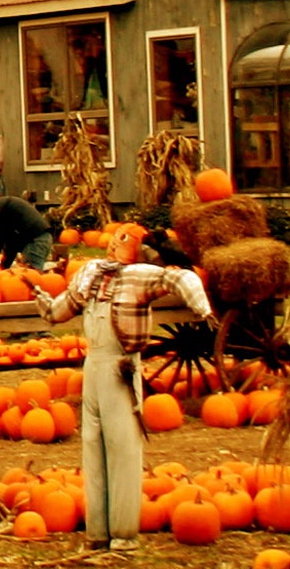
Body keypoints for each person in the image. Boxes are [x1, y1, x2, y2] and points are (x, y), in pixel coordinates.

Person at [43, 228, 215, 550]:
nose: (114, 243)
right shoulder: (90, 273)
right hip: (93, 365)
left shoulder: (141, 277)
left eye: (124, 240)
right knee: (92, 445)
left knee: (122, 447)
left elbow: (182, 279)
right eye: (114, 239)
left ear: (137, 251)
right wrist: (46, 306)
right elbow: (64, 306)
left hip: (121, 365)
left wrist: (202, 308)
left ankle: (122, 533)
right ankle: (97, 532)